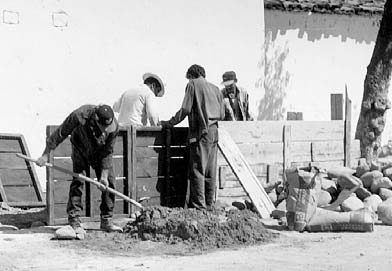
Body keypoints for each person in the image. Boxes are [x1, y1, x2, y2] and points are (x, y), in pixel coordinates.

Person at [36, 104, 122, 235]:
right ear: (95, 118)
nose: (105, 131)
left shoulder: (114, 127)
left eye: (107, 128)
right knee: (79, 181)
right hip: (80, 149)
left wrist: (103, 176)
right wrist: (45, 155)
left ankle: (106, 220)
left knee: (109, 182)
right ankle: (74, 220)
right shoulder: (79, 116)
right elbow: (61, 133)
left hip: (100, 152)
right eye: (103, 127)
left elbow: (108, 151)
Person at [160, 64, 224, 210]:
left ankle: (199, 207)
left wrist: (170, 123)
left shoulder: (192, 84)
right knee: (210, 170)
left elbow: (185, 109)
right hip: (214, 131)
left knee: (197, 169)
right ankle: (209, 204)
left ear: (191, 75)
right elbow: (222, 114)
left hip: (202, 132)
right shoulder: (215, 89)